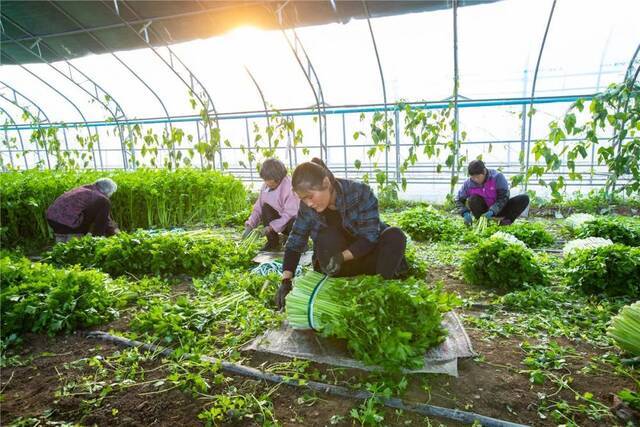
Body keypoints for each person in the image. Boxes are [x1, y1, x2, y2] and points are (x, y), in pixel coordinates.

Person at [274, 158, 408, 310]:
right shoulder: (307, 208)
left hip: (363, 255)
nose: (309, 203)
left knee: (395, 235)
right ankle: (344, 285)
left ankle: (379, 288)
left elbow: (370, 237)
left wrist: (341, 256)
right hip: (336, 266)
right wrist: (286, 281)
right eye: (303, 199)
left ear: (326, 183)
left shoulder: (360, 193)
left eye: (310, 196)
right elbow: (295, 242)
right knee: (327, 237)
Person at [243, 158, 299, 251]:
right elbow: (258, 207)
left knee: (294, 221)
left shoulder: (290, 187)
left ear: (279, 178)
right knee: (265, 208)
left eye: (270, 181)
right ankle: (273, 243)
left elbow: (290, 214)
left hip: (293, 221)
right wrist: (250, 225)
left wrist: (271, 227)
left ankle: (297, 243)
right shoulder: (266, 185)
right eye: (265, 180)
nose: (267, 183)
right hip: (280, 219)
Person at [455, 159, 529, 226]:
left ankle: (504, 222)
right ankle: (483, 223)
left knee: (523, 199)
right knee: (472, 199)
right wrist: (465, 212)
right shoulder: (468, 183)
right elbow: (458, 200)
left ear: (484, 171)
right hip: (483, 212)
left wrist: (492, 211)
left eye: (477, 177)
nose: (475, 180)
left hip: (500, 209)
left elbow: (503, 197)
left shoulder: (497, 177)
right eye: (472, 177)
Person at [46, 178, 120, 243]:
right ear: (107, 191)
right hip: (67, 223)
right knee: (105, 203)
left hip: (52, 220)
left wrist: (113, 229)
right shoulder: (101, 198)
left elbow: (106, 218)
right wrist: (101, 236)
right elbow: (102, 220)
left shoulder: (85, 189)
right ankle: (96, 240)